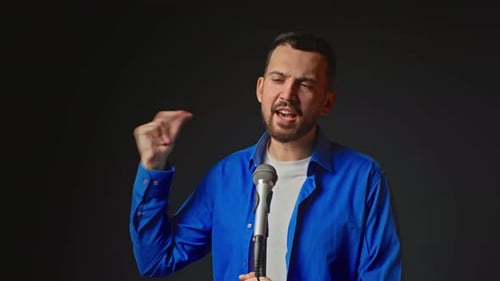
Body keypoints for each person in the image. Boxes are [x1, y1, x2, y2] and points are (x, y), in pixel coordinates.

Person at [129, 31, 402, 281]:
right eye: (278, 79)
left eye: (305, 84)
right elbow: (156, 260)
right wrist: (154, 166)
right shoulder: (226, 176)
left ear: (326, 102)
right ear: (261, 89)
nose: (288, 94)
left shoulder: (364, 179)